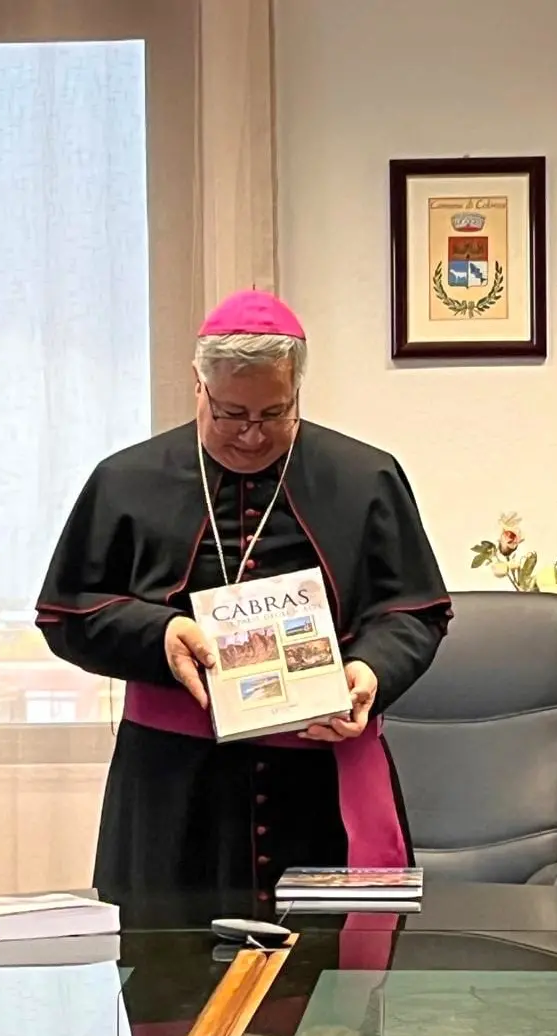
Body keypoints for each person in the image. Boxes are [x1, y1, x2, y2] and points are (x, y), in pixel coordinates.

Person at [35, 290, 452, 902]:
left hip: (319, 784)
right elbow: (68, 612)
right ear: (199, 387)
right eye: (231, 414)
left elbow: (412, 610)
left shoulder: (366, 477)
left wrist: (369, 671)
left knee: (326, 983)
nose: (253, 436)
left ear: (297, 393)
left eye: (274, 413)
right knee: (170, 983)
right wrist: (161, 634)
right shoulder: (127, 480)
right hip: (174, 789)